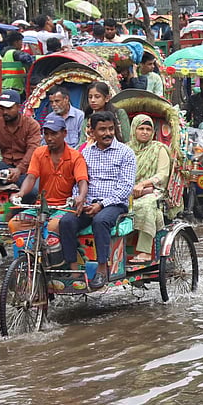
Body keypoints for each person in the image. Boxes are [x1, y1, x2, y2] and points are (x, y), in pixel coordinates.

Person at [59, 111, 137, 290]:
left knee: (101, 220)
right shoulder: (85, 153)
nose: (107, 133)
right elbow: (78, 181)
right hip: (88, 202)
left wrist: (102, 204)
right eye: (102, 130)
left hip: (114, 203)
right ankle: (73, 269)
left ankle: (102, 269)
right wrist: (79, 200)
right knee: (66, 222)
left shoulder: (126, 153)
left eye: (110, 129)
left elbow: (125, 188)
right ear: (92, 132)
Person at [6, 115, 88, 273]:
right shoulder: (39, 153)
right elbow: (31, 177)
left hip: (64, 207)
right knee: (14, 223)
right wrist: (20, 193)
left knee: (52, 226)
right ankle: (26, 261)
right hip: (42, 207)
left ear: (64, 133)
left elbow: (82, 181)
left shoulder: (75, 156)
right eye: (47, 134)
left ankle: (56, 266)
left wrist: (81, 197)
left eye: (54, 134)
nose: (49, 138)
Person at [126, 114, 173, 263]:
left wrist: (143, 184)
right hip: (128, 191)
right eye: (141, 128)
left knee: (145, 206)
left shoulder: (159, 149)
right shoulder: (126, 149)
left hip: (154, 191)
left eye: (148, 129)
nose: (145, 132)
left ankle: (145, 252)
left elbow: (163, 174)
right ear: (134, 130)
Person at [0, 89, 41, 184]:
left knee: (32, 192)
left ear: (18, 107)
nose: (5, 112)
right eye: (2, 109)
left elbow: (32, 150)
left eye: (9, 108)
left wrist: (19, 169)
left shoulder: (31, 125)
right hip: (5, 165)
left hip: (27, 168)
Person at [0, 31, 34, 96]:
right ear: (16, 42)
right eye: (21, 41)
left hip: (4, 87)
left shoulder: (3, 53)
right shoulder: (14, 53)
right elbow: (27, 58)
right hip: (16, 88)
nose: (22, 44)